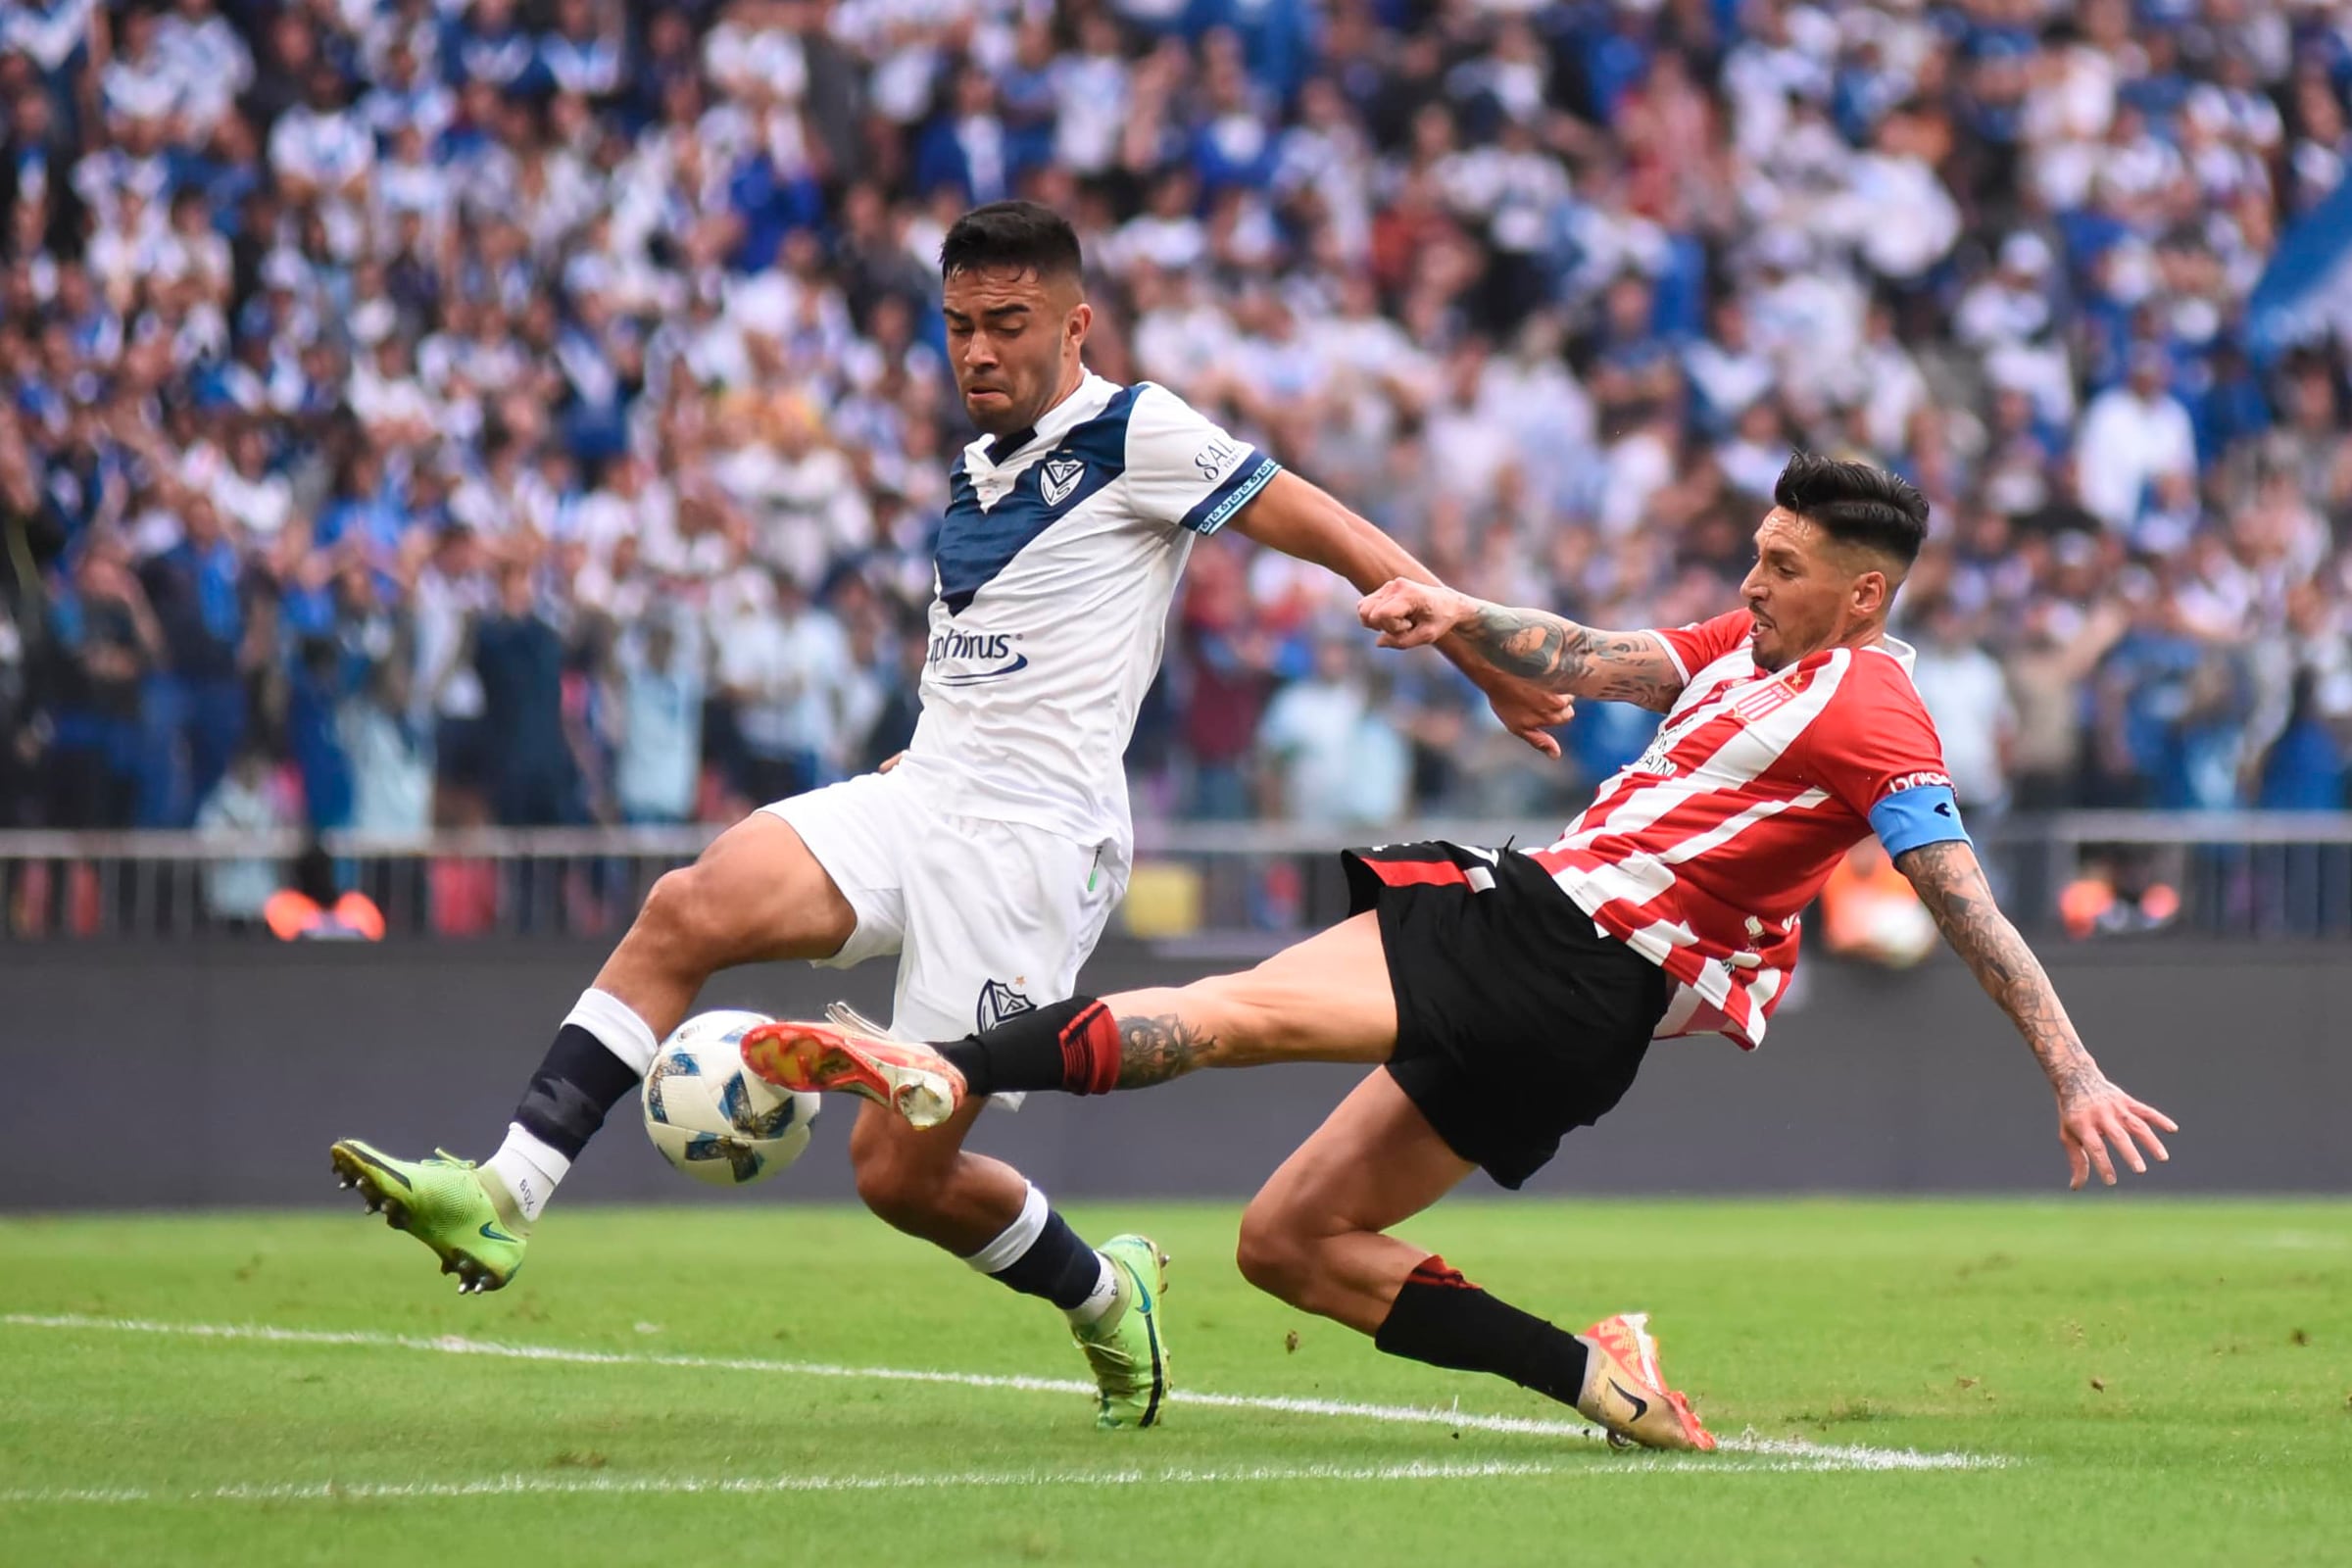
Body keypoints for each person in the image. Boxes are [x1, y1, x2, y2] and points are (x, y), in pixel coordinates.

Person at [327, 201, 1565, 1429]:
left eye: (1008, 324)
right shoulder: (975, 468)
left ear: (1075, 324)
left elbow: (1330, 528)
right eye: (960, 325)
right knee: (687, 906)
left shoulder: (1139, 431)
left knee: (898, 1178)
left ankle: (1103, 1292)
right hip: (923, 790)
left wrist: (1477, 645)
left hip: (1034, 849)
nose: (978, 351)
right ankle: (506, 1186)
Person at [741, 454, 2180, 1451]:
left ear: (1863, 596)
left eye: (1783, 566)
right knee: (1288, 1245)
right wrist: (1458, 615)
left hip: (1561, 943)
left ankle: (927, 1062)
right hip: (1578, 1012)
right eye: (1754, 551)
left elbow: (1965, 901)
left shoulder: (1878, 712)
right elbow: (1593, 653)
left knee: (1229, 1011)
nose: (1751, 580)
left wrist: (2074, 1070)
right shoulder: (1753, 651)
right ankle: (1601, 1381)